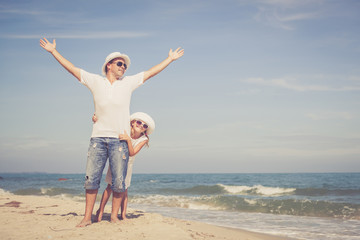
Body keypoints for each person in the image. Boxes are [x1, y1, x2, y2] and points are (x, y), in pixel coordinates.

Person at [39, 38, 184, 227]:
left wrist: (169, 59)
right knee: (91, 180)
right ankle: (87, 217)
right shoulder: (95, 81)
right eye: (120, 63)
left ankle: (114, 216)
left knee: (118, 183)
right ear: (109, 65)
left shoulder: (128, 83)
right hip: (97, 138)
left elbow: (150, 73)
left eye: (124, 65)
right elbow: (73, 69)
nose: (123, 67)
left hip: (119, 141)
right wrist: (53, 52)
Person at [94, 112, 155, 222]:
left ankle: (123, 214)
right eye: (139, 122)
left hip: (128, 164)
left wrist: (128, 139)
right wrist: (97, 119)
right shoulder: (124, 129)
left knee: (124, 189)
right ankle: (100, 211)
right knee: (109, 186)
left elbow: (132, 153)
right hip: (116, 160)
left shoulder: (143, 139)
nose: (141, 125)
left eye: (144, 126)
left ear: (145, 130)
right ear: (132, 122)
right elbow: (110, 124)